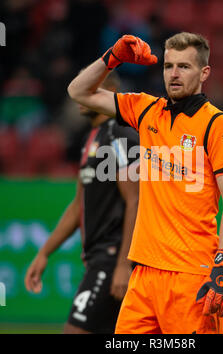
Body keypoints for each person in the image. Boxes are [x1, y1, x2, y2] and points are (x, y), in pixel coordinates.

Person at [67, 32, 223, 334]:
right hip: (144, 273)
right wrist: (113, 58)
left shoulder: (218, 125)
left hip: (191, 274)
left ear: (204, 73)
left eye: (184, 67)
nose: (174, 74)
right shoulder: (147, 109)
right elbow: (78, 92)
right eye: (168, 66)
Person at [24, 72, 139, 334]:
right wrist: (44, 252)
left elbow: (136, 200)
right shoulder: (92, 139)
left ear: (109, 92)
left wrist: (124, 264)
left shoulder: (119, 134)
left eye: (88, 86)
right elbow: (78, 205)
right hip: (98, 259)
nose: (78, 92)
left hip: (112, 259)